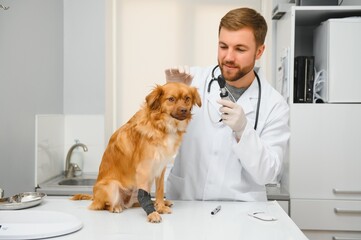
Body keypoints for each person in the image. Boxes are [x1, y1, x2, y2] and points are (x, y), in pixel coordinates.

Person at [164, 7, 290, 201]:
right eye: (223, 46)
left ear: (259, 51)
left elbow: (269, 173)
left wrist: (243, 131)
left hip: (241, 215)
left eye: (240, 49)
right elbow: (158, 138)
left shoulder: (274, 104)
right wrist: (170, 98)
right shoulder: (192, 81)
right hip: (185, 204)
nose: (229, 57)